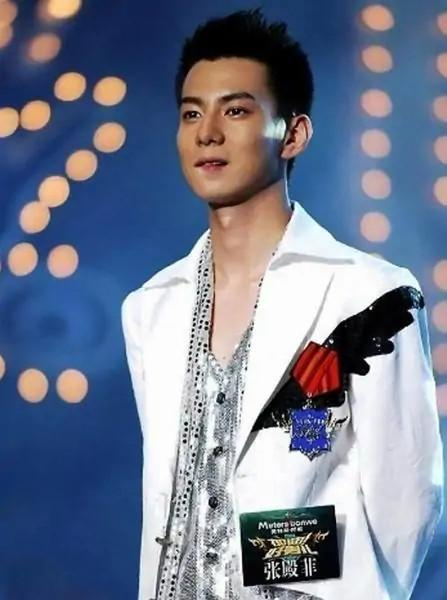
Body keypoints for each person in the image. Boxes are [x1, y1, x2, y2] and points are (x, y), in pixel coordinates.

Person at [121, 8, 443, 600]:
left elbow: (408, 499)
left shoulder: (368, 294)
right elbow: (167, 497)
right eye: (191, 113)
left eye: (236, 111)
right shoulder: (151, 308)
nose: (207, 132)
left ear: (293, 134)